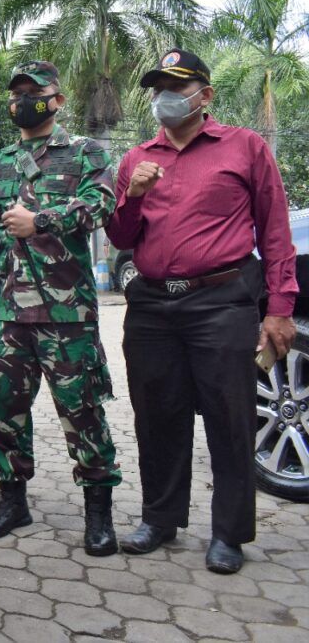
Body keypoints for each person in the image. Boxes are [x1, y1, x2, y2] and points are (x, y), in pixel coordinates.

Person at [107, 49, 297, 574]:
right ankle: (160, 518)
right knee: (156, 414)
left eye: (177, 86)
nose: (164, 97)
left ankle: (229, 534)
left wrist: (279, 307)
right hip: (150, 304)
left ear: (204, 95)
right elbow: (121, 236)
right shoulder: (136, 159)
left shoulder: (245, 147)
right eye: (158, 88)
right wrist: (134, 196)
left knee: (229, 416)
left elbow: (275, 230)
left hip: (221, 299)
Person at [0, 62, 120, 555]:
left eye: (35, 91)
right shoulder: (0, 162)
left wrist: (42, 220)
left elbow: (102, 204)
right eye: (17, 93)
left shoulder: (84, 153)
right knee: (3, 412)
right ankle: (13, 500)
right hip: (11, 316)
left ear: (57, 99)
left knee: (83, 413)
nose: (24, 100)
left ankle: (99, 512)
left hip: (67, 314)